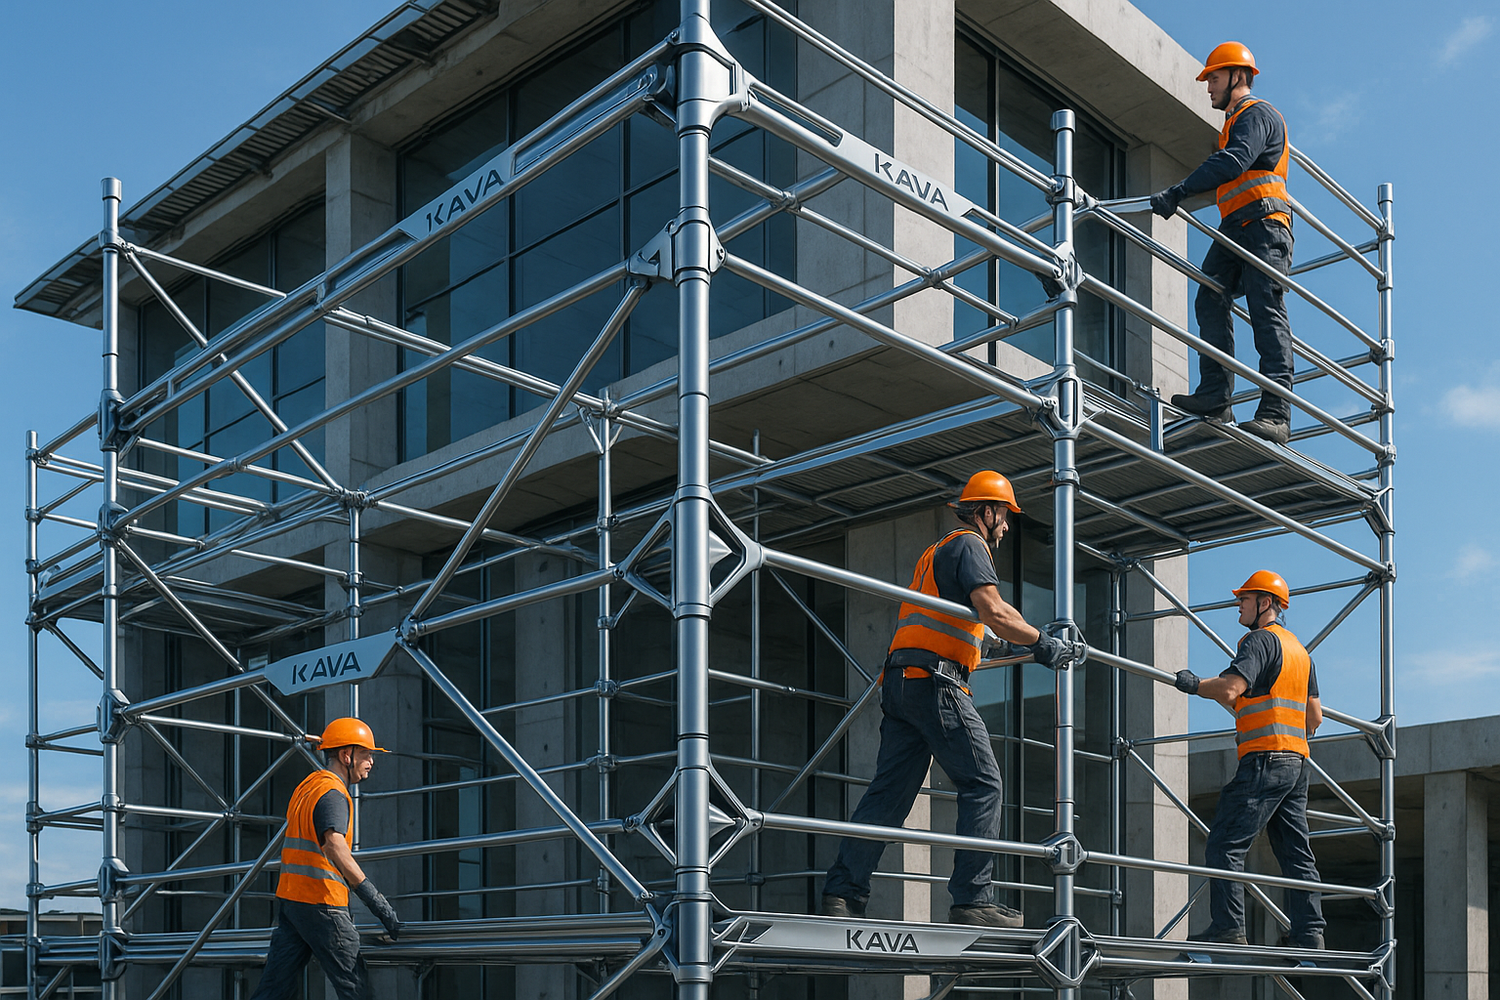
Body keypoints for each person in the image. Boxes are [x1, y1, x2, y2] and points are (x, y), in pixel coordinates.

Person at [820, 471, 1072, 928]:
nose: (1008, 527)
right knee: (984, 783)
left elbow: (970, 619)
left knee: (888, 796)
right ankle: (973, 900)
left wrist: (994, 639)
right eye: (1005, 516)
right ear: (986, 511)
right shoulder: (970, 545)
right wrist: (1042, 643)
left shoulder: (938, 551)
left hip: (902, 684)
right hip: (935, 683)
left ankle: (843, 892)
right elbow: (995, 610)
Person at [1150, 42, 1296, 445]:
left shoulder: (1257, 115)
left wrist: (1178, 191)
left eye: (1213, 78)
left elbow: (1234, 162)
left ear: (1237, 76)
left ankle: (1276, 412)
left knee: (1265, 308)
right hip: (1237, 228)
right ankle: (1216, 396)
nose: (1208, 86)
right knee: (1209, 297)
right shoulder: (1235, 122)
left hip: (1265, 226)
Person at [1173, 571, 1326, 949]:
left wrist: (1193, 684)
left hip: (1264, 759)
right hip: (1296, 761)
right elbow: (1315, 717)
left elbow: (1230, 687)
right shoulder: (1299, 652)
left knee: (1224, 843)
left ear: (1266, 603)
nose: (1238, 604)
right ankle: (1310, 933)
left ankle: (1228, 929)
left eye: (1244, 599)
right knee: (1295, 850)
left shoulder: (1258, 641)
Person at [250, 717, 404, 999]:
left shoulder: (307, 787)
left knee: (274, 991)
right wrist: (377, 902)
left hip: (292, 904)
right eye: (366, 754)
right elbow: (334, 845)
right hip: (322, 904)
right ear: (347, 755)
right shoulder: (333, 793)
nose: (371, 761)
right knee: (355, 989)